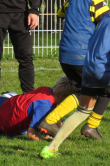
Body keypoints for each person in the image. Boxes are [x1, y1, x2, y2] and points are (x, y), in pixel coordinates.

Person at [38, 0, 110, 142]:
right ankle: (53, 121)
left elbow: (61, 13)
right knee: (94, 91)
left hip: (65, 55)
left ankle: (88, 125)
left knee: (88, 90)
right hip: (83, 56)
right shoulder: (97, 2)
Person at [40, 10, 110, 159]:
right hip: (104, 69)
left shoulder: (106, 18)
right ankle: (91, 127)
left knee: (82, 111)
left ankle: (51, 148)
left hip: (90, 67)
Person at [0, 77, 77, 141]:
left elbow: (56, 116)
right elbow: (31, 133)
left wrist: (60, 132)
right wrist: (45, 140)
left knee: (10, 96)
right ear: (61, 96)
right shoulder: (44, 105)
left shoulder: (46, 90)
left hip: (1, 103)